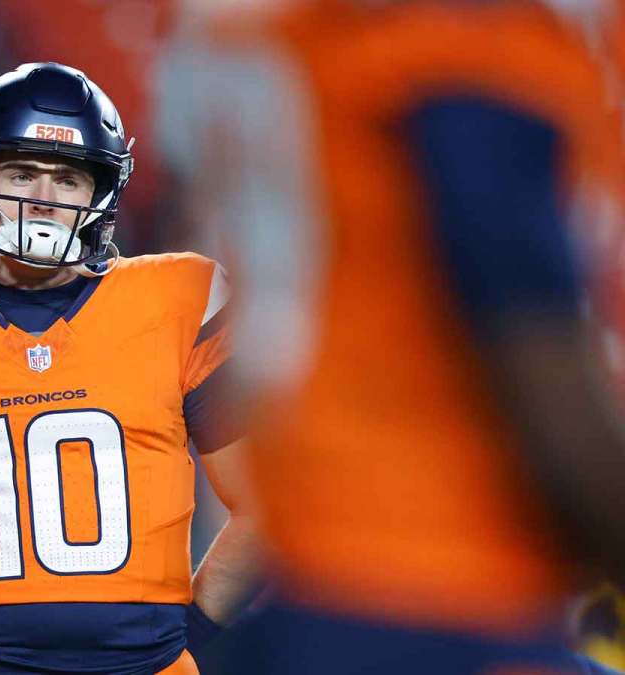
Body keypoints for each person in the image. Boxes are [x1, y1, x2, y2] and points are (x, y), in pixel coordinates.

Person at [157, 0, 625, 673]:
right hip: (444, 589)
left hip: (314, 570)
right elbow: (532, 359)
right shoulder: (455, 37)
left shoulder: (269, 30)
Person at [0, 62, 261, 675]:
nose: (42, 199)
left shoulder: (182, 298)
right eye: (21, 172)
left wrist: (192, 639)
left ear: (100, 194)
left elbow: (268, 506)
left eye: (67, 179)